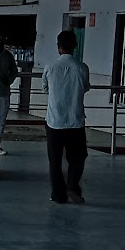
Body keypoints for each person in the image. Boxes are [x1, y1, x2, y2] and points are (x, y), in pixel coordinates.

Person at [43, 29, 91, 204]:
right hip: (75, 121)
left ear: (58, 47)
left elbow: (45, 88)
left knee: (54, 160)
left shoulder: (50, 67)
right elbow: (85, 87)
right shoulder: (82, 68)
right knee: (78, 157)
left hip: (54, 121)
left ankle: (58, 194)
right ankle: (72, 185)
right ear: (75, 47)